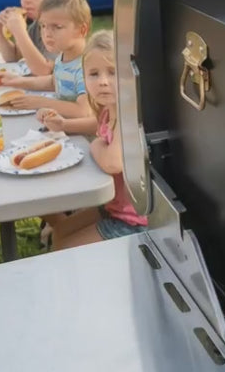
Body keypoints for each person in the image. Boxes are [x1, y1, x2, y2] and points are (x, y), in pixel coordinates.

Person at [39, 30, 147, 249]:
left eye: (113, 72)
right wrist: (64, 125)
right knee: (59, 232)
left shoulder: (127, 115)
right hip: (114, 206)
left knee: (63, 247)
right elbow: (97, 124)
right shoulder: (109, 109)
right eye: (94, 74)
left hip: (135, 220)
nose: (103, 82)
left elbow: (113, 163)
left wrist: (97, 144)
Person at [0, 0, 92, 118]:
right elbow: (54, 82)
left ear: (82, 30)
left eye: (57, 27)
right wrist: (17, 80)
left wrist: (40, 102)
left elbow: (83, 111)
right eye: (43, 26)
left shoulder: (87, 66)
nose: (47, 33)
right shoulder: (64, 57)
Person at [0, 0, 67, 77]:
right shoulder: (38, 24)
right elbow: (13, 57)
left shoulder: (60, 27)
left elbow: (44, 71)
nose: (26, 0)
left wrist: (19, 32)